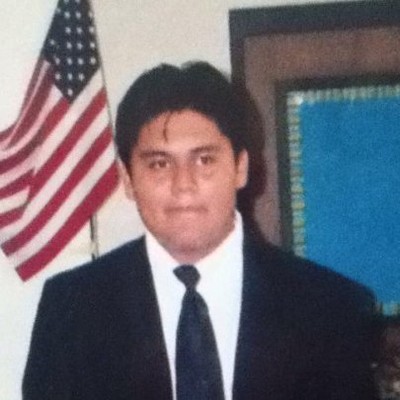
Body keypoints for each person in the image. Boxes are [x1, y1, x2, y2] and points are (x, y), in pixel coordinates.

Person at [23, 62, 378, 400]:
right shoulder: (72, 311)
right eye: (159, 164)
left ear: (240, 168)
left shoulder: (330, 310)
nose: (183, 185)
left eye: (204, 160)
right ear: (128, 179)